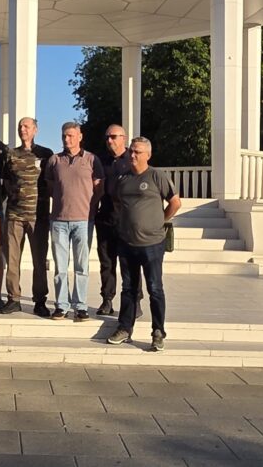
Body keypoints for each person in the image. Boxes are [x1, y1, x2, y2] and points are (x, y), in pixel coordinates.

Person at [106, 137, 181, 353]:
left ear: (148, 155)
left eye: (137, 152)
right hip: (127, 242)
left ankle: (158, 332)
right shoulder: (123, 178)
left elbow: (175, 202)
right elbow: (118, 203)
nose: (132, 155)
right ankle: (124, 328)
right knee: (128, 288)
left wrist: (160, 221)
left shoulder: (157, 176)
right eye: (131, 151)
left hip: (152, 244)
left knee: (155, 288)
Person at [44, 122, 103, 322]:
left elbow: (99, 187)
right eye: (64, 135)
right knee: (60, 266)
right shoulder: (54, 160)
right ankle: (61, 305)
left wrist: (89, 207)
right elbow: (50, 186)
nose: (66, 139)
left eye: (70, 135)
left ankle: (81, 306)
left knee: (81, 266)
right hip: (59, 220)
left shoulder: (91, 159)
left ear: (80, 136)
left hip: (83, 221)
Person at [0, 117, 54, 316]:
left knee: (39, 261)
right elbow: (5, 181)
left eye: (27, 126)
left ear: (35, 130)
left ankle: (40, 300)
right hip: (14, 215)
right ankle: (13, 298)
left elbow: (52, 182)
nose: (23, 129)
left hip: (38, 216)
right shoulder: (10, 155)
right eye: (20, 126)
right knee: (13, 260)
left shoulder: (46, 154)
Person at [94, 124, 133, 316]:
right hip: (105, 219)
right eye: (107, 137)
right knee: (107, 263)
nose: (109, 140)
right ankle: (107, 300)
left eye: (114, 137)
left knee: (129, 263)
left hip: (128, 222)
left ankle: (134, 301)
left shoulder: (133, 159)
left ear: (123, 138)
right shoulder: (100, 161)